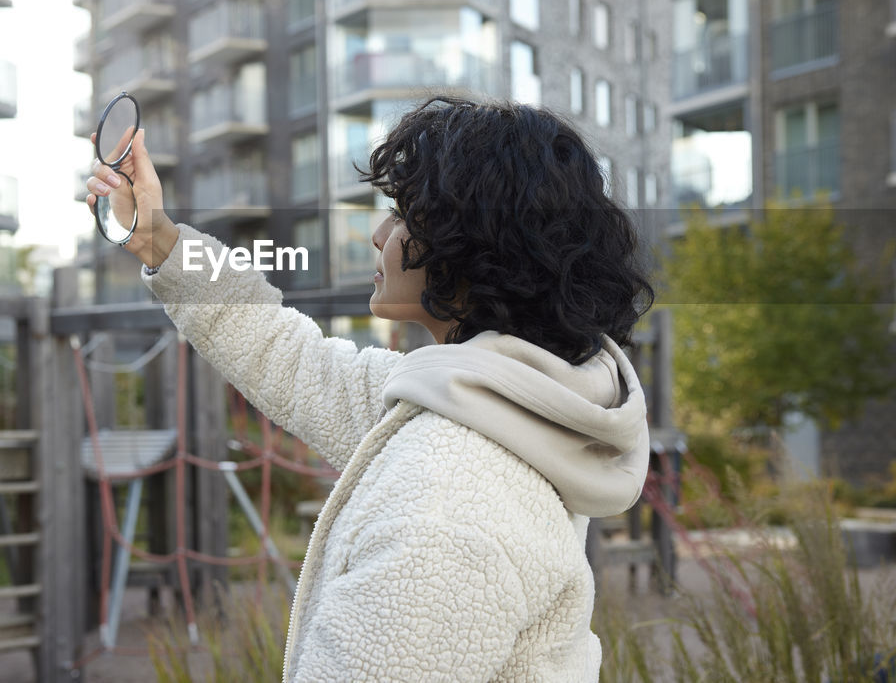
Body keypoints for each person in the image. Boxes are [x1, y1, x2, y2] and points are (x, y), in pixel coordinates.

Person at [84, 95, 654, 682]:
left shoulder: (445, 504)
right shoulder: (505, 404)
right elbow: (288, 356)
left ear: (476, 246)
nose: (378, 233)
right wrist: (159, 240)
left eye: (406, 215)